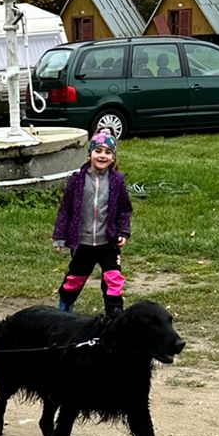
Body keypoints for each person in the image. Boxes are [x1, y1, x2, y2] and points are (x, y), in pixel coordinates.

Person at [51, 129, 132, 316]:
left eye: (108, 152)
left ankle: (114, 314)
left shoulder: (117, 181)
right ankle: (65, 307)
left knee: (113, 279)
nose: (102, 155)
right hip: (83, 243)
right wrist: (59, 236)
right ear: (90, 154)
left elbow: (125, 209)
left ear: (113, 157)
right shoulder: (77, 180)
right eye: (98, 151)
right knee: (75, 278)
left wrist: (123, 232)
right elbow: (65, 209)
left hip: (108, 242)